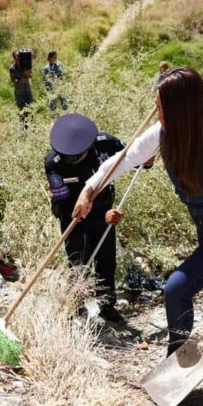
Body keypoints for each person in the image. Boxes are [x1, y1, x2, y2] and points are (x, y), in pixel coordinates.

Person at [72, 67, 203, 355]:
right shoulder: (164, 132)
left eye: (160, 107)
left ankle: (177, 360)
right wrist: (89, 190)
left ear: (181, 109)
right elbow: (125, 159)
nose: (157, 114)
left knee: (177, 289)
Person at [45, 114, 126, 322]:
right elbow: (62, 200)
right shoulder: (54, 163)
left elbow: (131, 157)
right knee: (78, 262)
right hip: (73, 216)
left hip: (103, 212)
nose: (69, 160)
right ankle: (76, 307)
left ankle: (107, 306)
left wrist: (146, 161)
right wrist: (76, 213)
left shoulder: (106, 144)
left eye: (74, 156)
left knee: (106, 260)